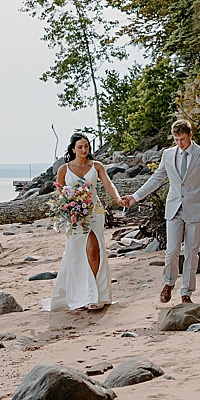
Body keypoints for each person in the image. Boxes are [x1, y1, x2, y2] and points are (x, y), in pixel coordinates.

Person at [122, 119, 200, 304]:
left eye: (182, 139)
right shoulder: (168, 154)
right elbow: (156, 178)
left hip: (195, 208)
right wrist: (135, 197)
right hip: (174, 208)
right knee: (172, 250)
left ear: (190, 136)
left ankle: (187, 293)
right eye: (176, 140)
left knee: (191, 252)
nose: (179, 143)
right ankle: (169, 283)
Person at [43, 132, 123, 312]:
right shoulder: (64, 169)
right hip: (75, 216)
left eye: (86, 146)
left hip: (94, 211)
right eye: (80, 147)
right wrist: (68, 209)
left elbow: (109, 184)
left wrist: (117, 199)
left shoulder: (97, 166)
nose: (84, 150)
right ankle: (80, 296)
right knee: (77, 254)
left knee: (94, 251)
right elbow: (60, 195)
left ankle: (95, 296)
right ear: (73, 149)